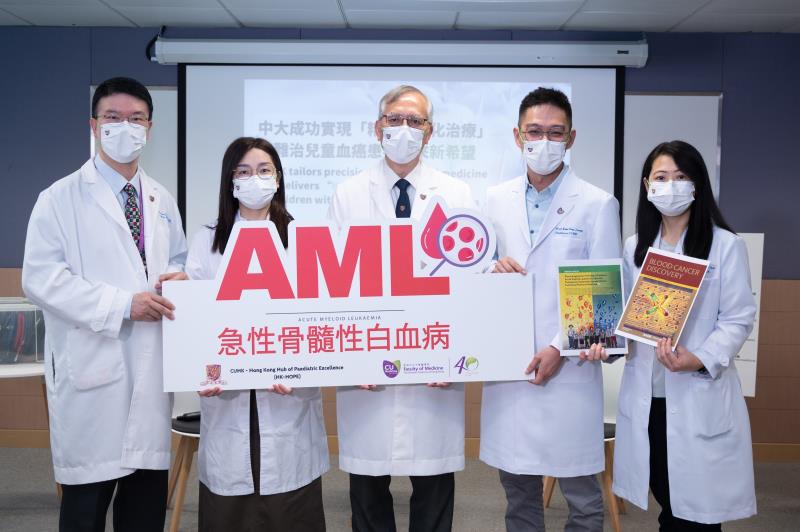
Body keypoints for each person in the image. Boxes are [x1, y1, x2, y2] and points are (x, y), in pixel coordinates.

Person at [21, 77, 188, 531]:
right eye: (113, 118)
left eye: (135, 119)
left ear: (149, 128)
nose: (124, 128)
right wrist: (120, 304)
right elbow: (40, 279)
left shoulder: (160, 198)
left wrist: (179, 279)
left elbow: (176, 258)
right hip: (94, 369)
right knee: (86, 509)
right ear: (94, 125)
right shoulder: (59, 198)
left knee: (143, 509)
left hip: (150, 371)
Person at [328, 85, 474, 532]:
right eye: (395, 120)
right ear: (378, 128)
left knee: (433, 490)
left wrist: (456, 353)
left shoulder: (456, 194)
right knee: (368, 492)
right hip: (367, 368)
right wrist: (351, 359)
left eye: (415, 121)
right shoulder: (349, 193)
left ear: (429, 133)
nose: (404, 129)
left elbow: (467, 287)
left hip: (434, 367)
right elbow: (334, 287)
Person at [481, 87, 621, 532]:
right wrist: (491, 270)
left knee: (581, 497)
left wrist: (559, 348)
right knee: (518, 494)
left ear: (571, 137)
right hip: (512, 366)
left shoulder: (598, 204)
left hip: (570, 370)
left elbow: (603, 299)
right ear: (518, 136)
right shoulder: (494, 200)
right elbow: (473, 276)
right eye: (535, 132)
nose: (544, 142)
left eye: (555, 132)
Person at [609, 140, 757, 530]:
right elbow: (626, 317)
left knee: (694, 512)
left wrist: (700, 358)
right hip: (648, 397)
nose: (670, 186)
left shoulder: (726, 246)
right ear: (646, 185)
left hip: (695, 393)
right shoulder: (634, 248)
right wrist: (602, 342)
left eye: (680, 177)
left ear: (697, 186)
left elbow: (738, 318)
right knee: (667, 499)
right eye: (661, 177)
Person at [185, 137, 329, 532]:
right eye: (243, 172)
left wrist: (300, 370)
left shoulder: (304, 238)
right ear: (229, 181)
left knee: (290, 507)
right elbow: (194, 323)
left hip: (287, 398)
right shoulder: (208, 240)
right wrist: (199, 368)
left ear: (278, 179)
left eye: (264, 170)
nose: (255, 179)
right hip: (228, 396)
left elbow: (320, 318)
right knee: (230, 509)